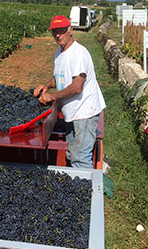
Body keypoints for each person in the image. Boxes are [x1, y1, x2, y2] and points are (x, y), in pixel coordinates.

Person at [34, 15, 106, 169]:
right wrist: (46, 86)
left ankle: (86, 190)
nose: (58, 35)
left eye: (61, 31)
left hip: (85, 112)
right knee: (72, 153)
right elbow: (60, 78)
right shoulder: (60, 53)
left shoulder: (78, 53)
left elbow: (76, 87)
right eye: (55, 32)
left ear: (70, 30)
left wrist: (52, 96)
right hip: (72, 112)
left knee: (80, 158)